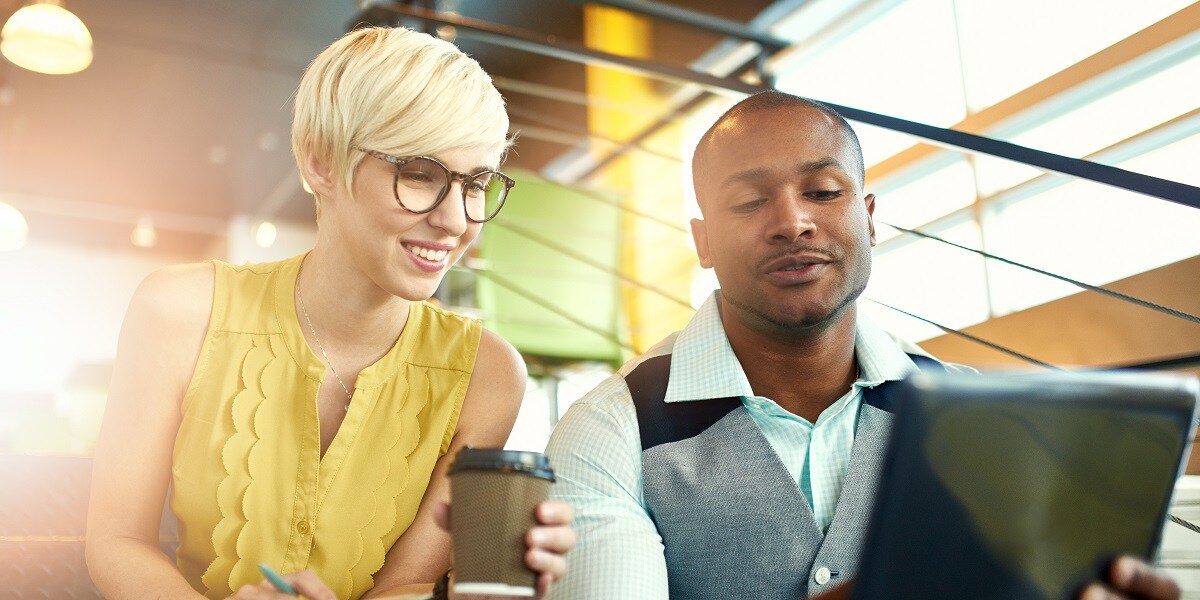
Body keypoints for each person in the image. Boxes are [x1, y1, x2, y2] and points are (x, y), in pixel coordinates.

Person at [544, 90, 1182, 600]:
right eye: (748, 201)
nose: (793, 221)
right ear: (703, 241)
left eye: (824, 192)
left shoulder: (983, 419)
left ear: (870, 218)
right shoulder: (609, 429)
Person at [86, 26, 574, 600]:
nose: (455, 220)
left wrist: (480, 588)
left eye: (476, 183)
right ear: (321, 161)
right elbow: (117, 541)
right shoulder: (179, 311)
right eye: (420, 175)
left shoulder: (487, 375)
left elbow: (406, 587)